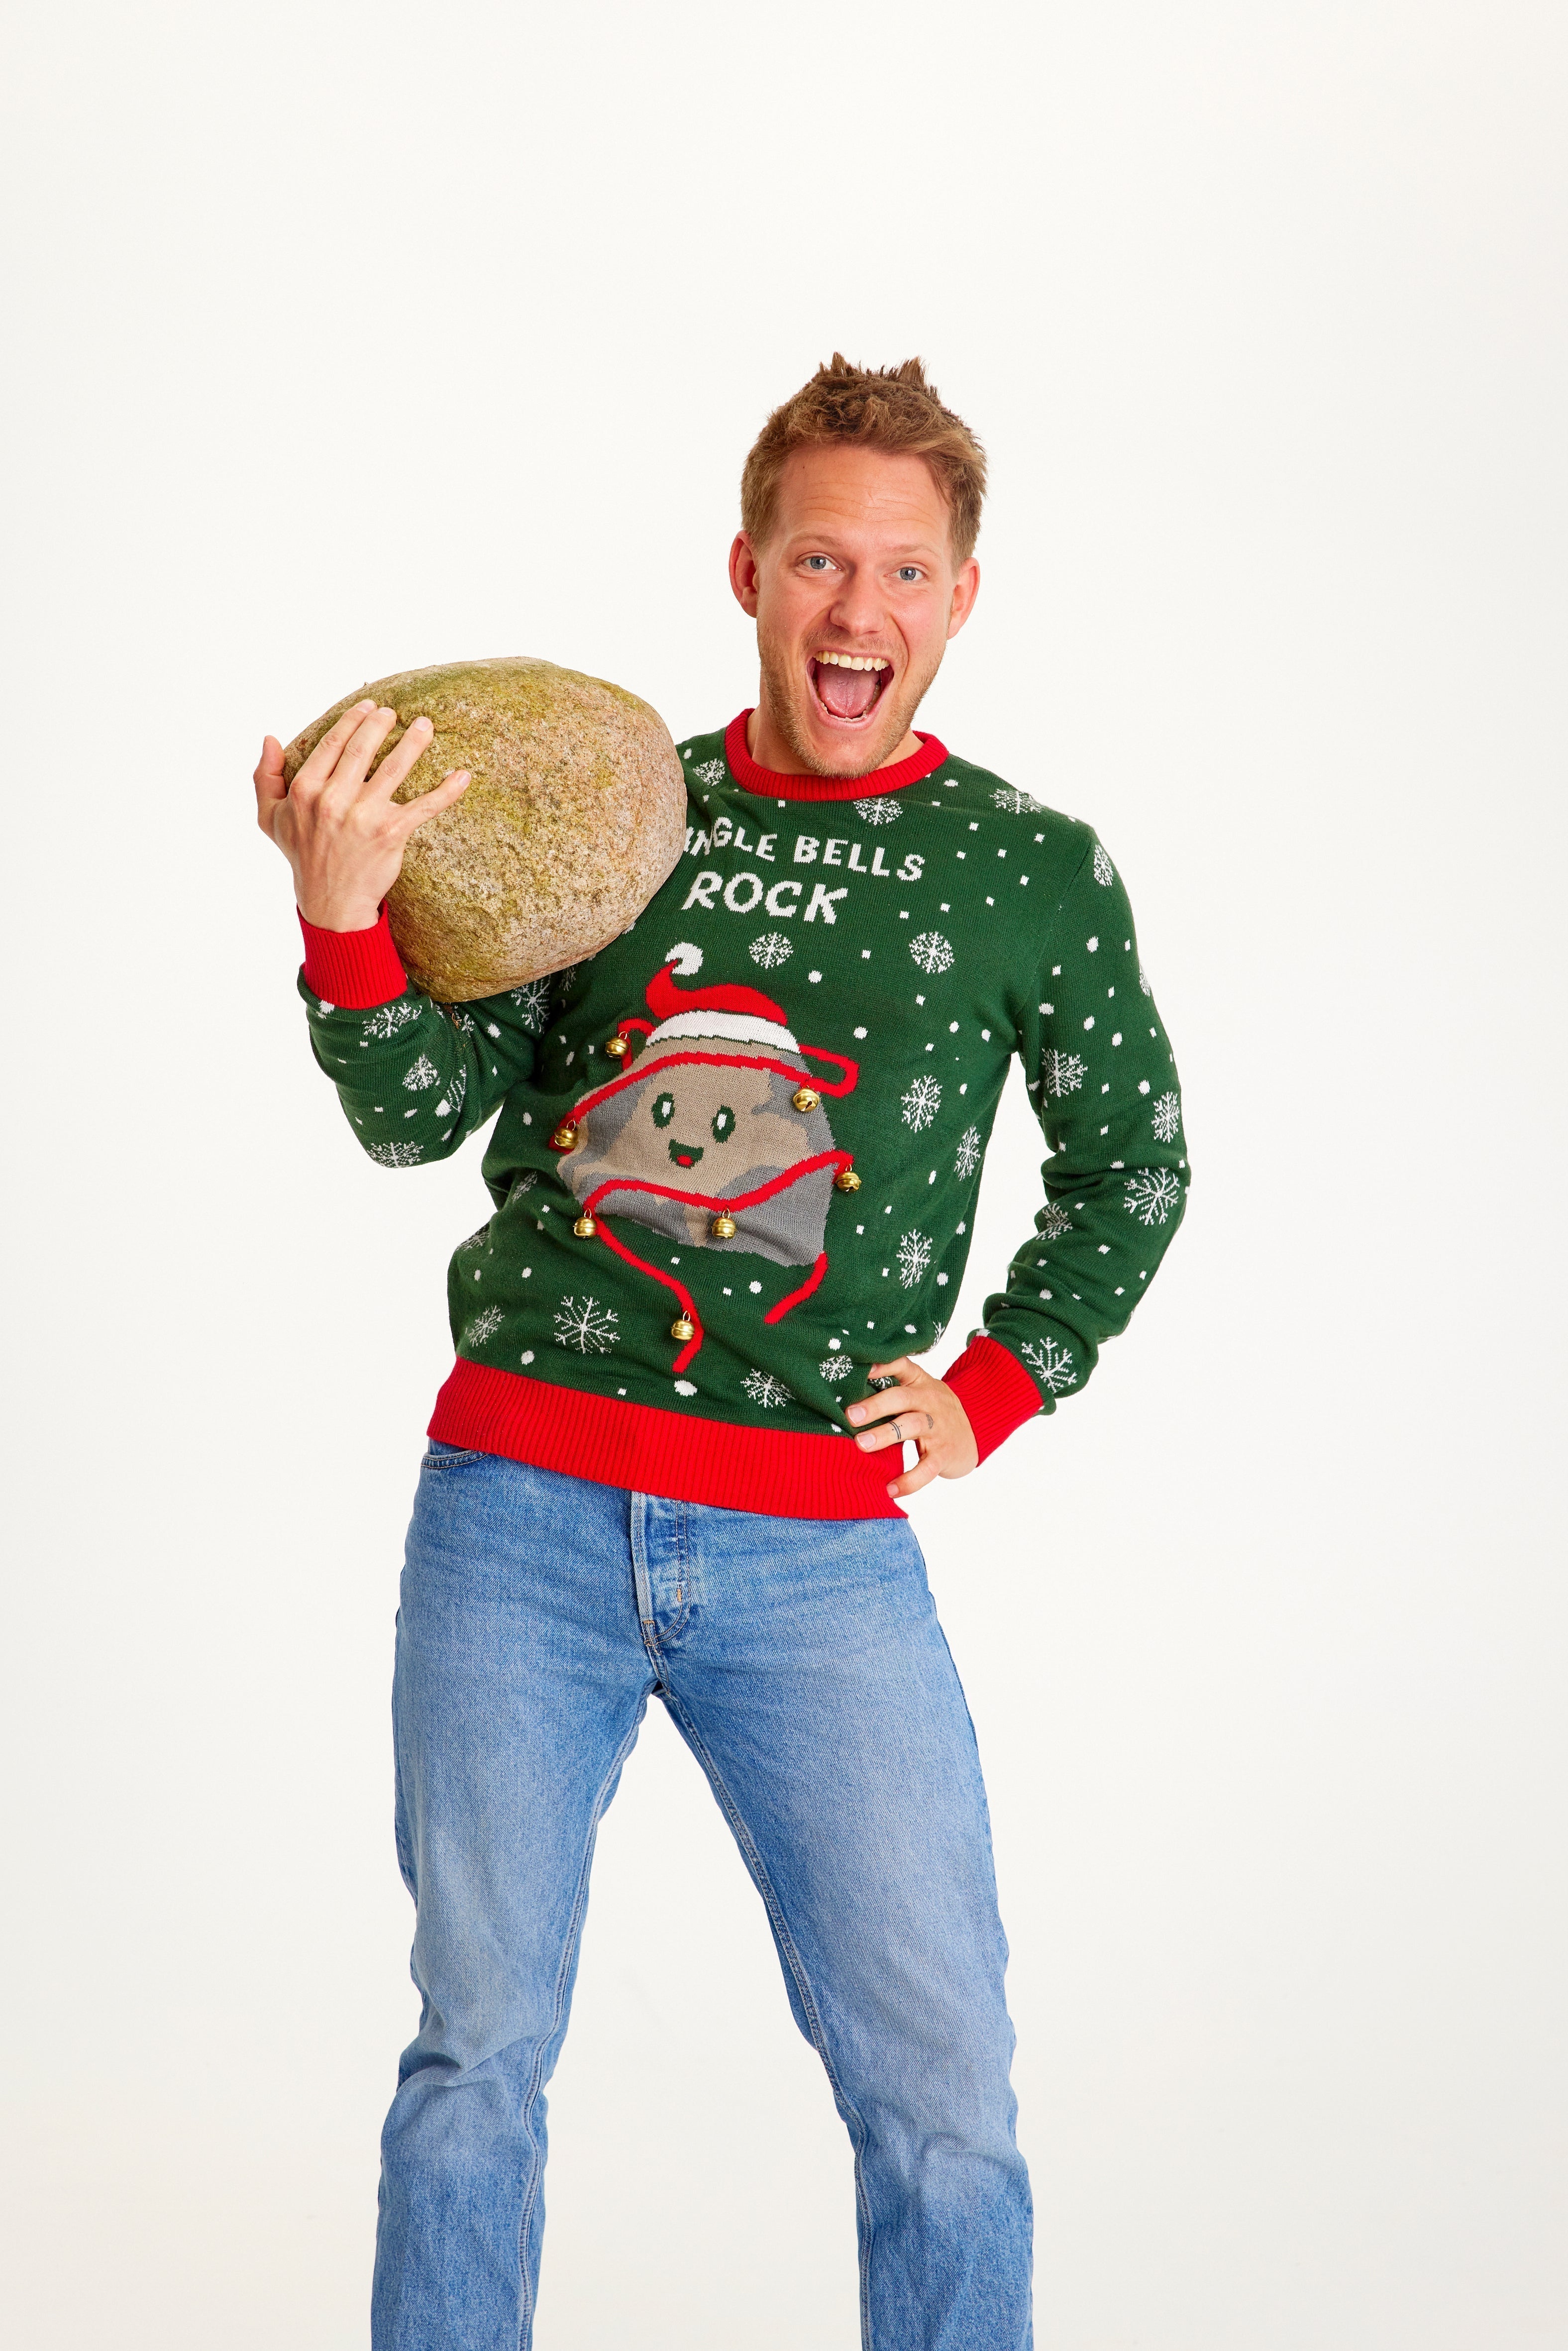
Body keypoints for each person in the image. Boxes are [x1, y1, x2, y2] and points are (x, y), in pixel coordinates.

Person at [255, 355, 1188, 2351]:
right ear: (748, 571)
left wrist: (998, 1385)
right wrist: (347, 924)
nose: (860, 607)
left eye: (906, 570)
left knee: (943, 2092)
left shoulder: (1030, 870)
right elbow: (420, 1113)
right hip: (516, 1506)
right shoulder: (613, 815)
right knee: (473, 2054)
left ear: (960, 597)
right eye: (820, 560)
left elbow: (1132, 1163)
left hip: (813, 1543)